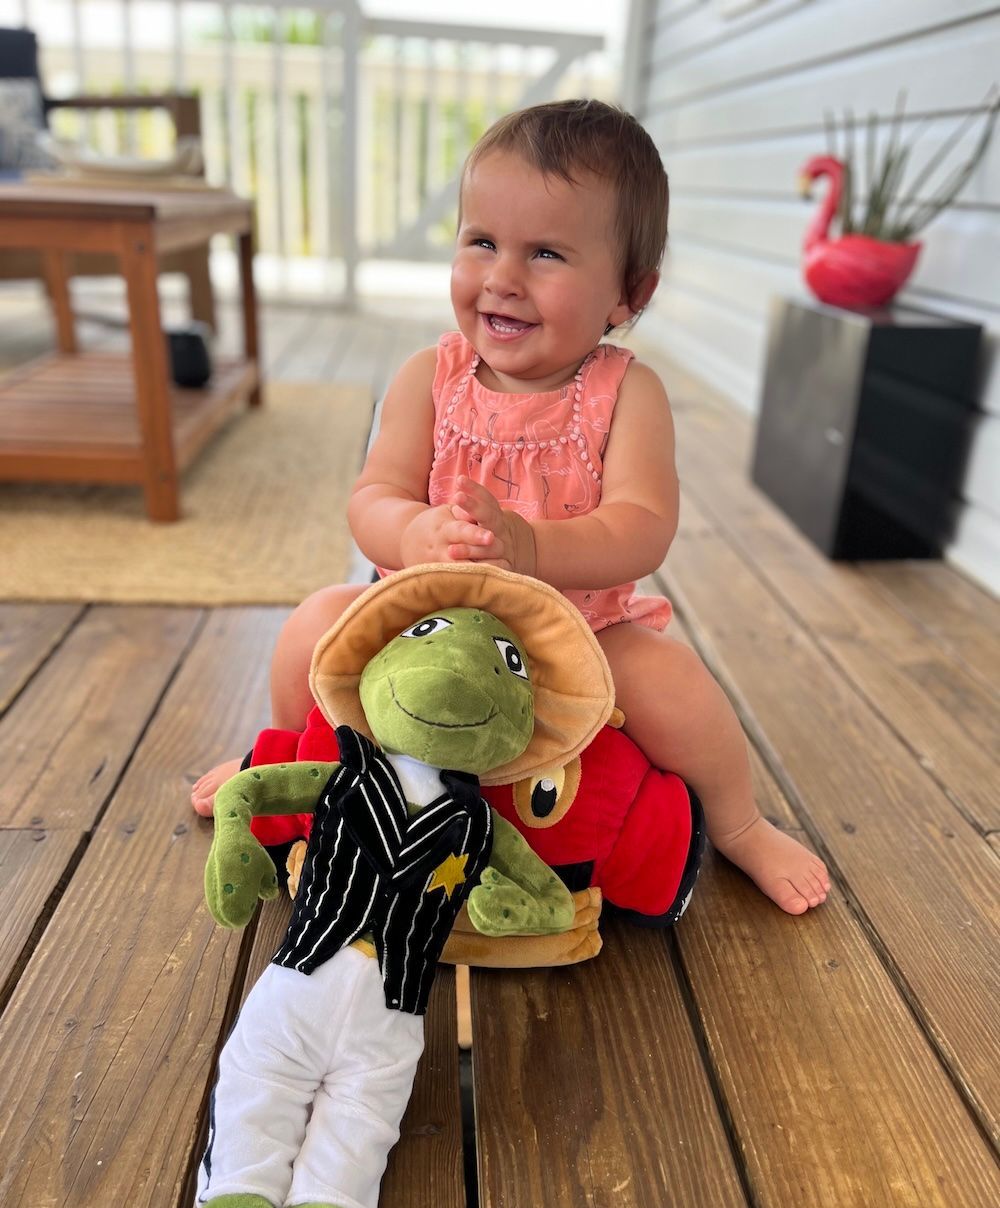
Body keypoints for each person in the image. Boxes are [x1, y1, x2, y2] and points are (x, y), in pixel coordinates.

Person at [192, 98, 829, 915]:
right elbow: (372, 497)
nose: (503, 278)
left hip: (576, 632)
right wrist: (414, 531)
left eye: (547, 254)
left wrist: (532, 549)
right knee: (311, 627)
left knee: (676, 685)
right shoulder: (429, 377)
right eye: (482, 242)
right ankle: (290, 765)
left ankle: (740, 823)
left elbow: (643, 527)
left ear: (628, 293)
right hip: (423, 625)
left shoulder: (626, 394)